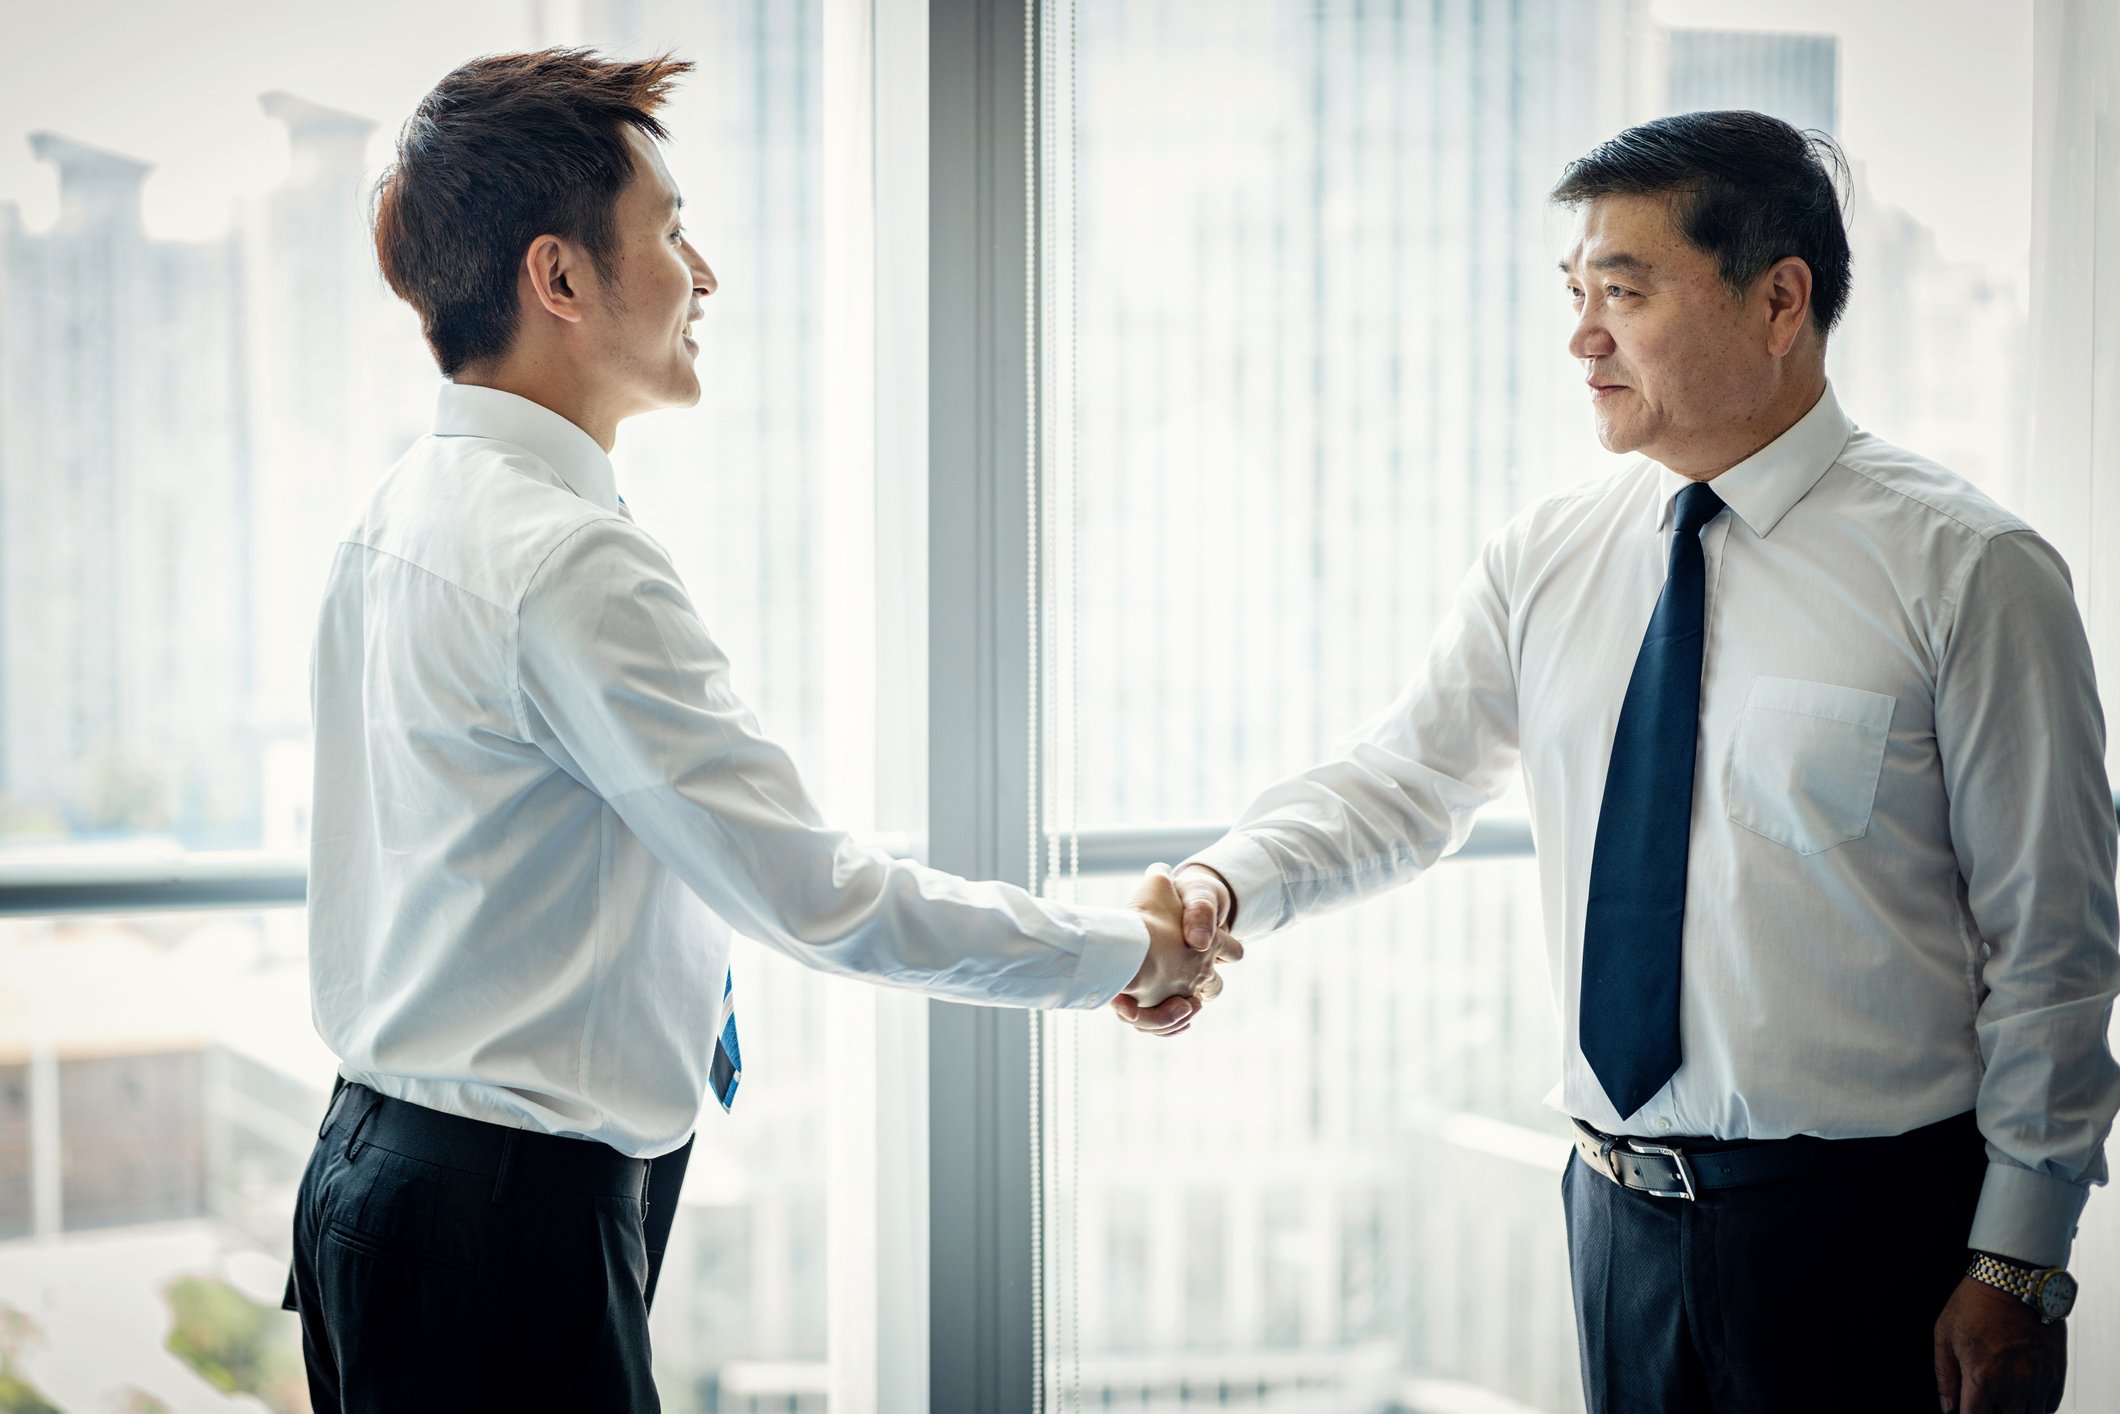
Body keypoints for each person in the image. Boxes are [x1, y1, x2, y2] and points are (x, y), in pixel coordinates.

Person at [282, 48, 1229, 1413]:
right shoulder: (563, 563)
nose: (703, 275)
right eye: (668, 232)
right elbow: (818, 894)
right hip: (502, 1225)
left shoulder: (404, 508)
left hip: (383, 1172)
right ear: (559, 279)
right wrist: (1121, 955)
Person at [1136, 110, 2119, 1414]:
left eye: (1625, 290)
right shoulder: (1548, 556)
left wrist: (2020, 1257)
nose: (1581, 336)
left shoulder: (1969, 572)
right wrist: (1222, 880)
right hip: (1615, 1227)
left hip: (1869, 1235)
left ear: (1780, 302)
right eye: (1575, 291)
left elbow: (2054, 942)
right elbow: (1403, 781)